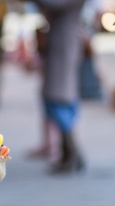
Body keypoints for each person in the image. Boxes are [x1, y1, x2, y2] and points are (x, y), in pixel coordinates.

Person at [30, 0, 86, 173]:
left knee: (59, 99)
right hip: (59, 43)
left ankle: (72, 153)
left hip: (64, 45)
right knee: (55, 99)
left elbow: (56, 5)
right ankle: (69, 154)